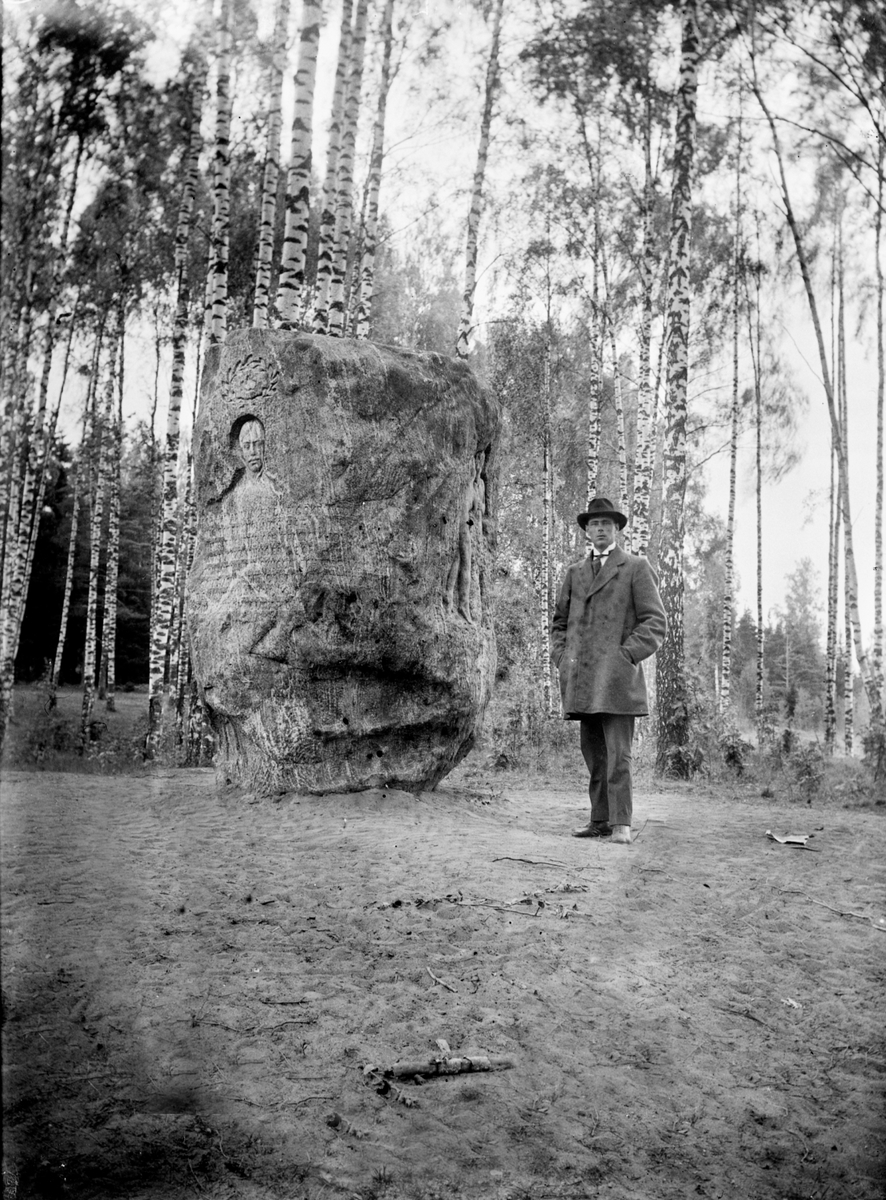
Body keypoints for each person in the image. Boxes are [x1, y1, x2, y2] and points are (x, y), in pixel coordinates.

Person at [550, 497, 666, 845]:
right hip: (583, 678)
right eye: (594, 524)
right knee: (594, 754)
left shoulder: (635, 567)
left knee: (619, 756)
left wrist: (626, 655)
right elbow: (559, 623)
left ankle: (621, 824)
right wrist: (562, 657)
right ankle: (599, 819)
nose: (600, 529)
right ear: (587, 530)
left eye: (606, 523)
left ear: (617, 529)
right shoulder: (575, 573)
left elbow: (655, 622)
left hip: (617, 680)